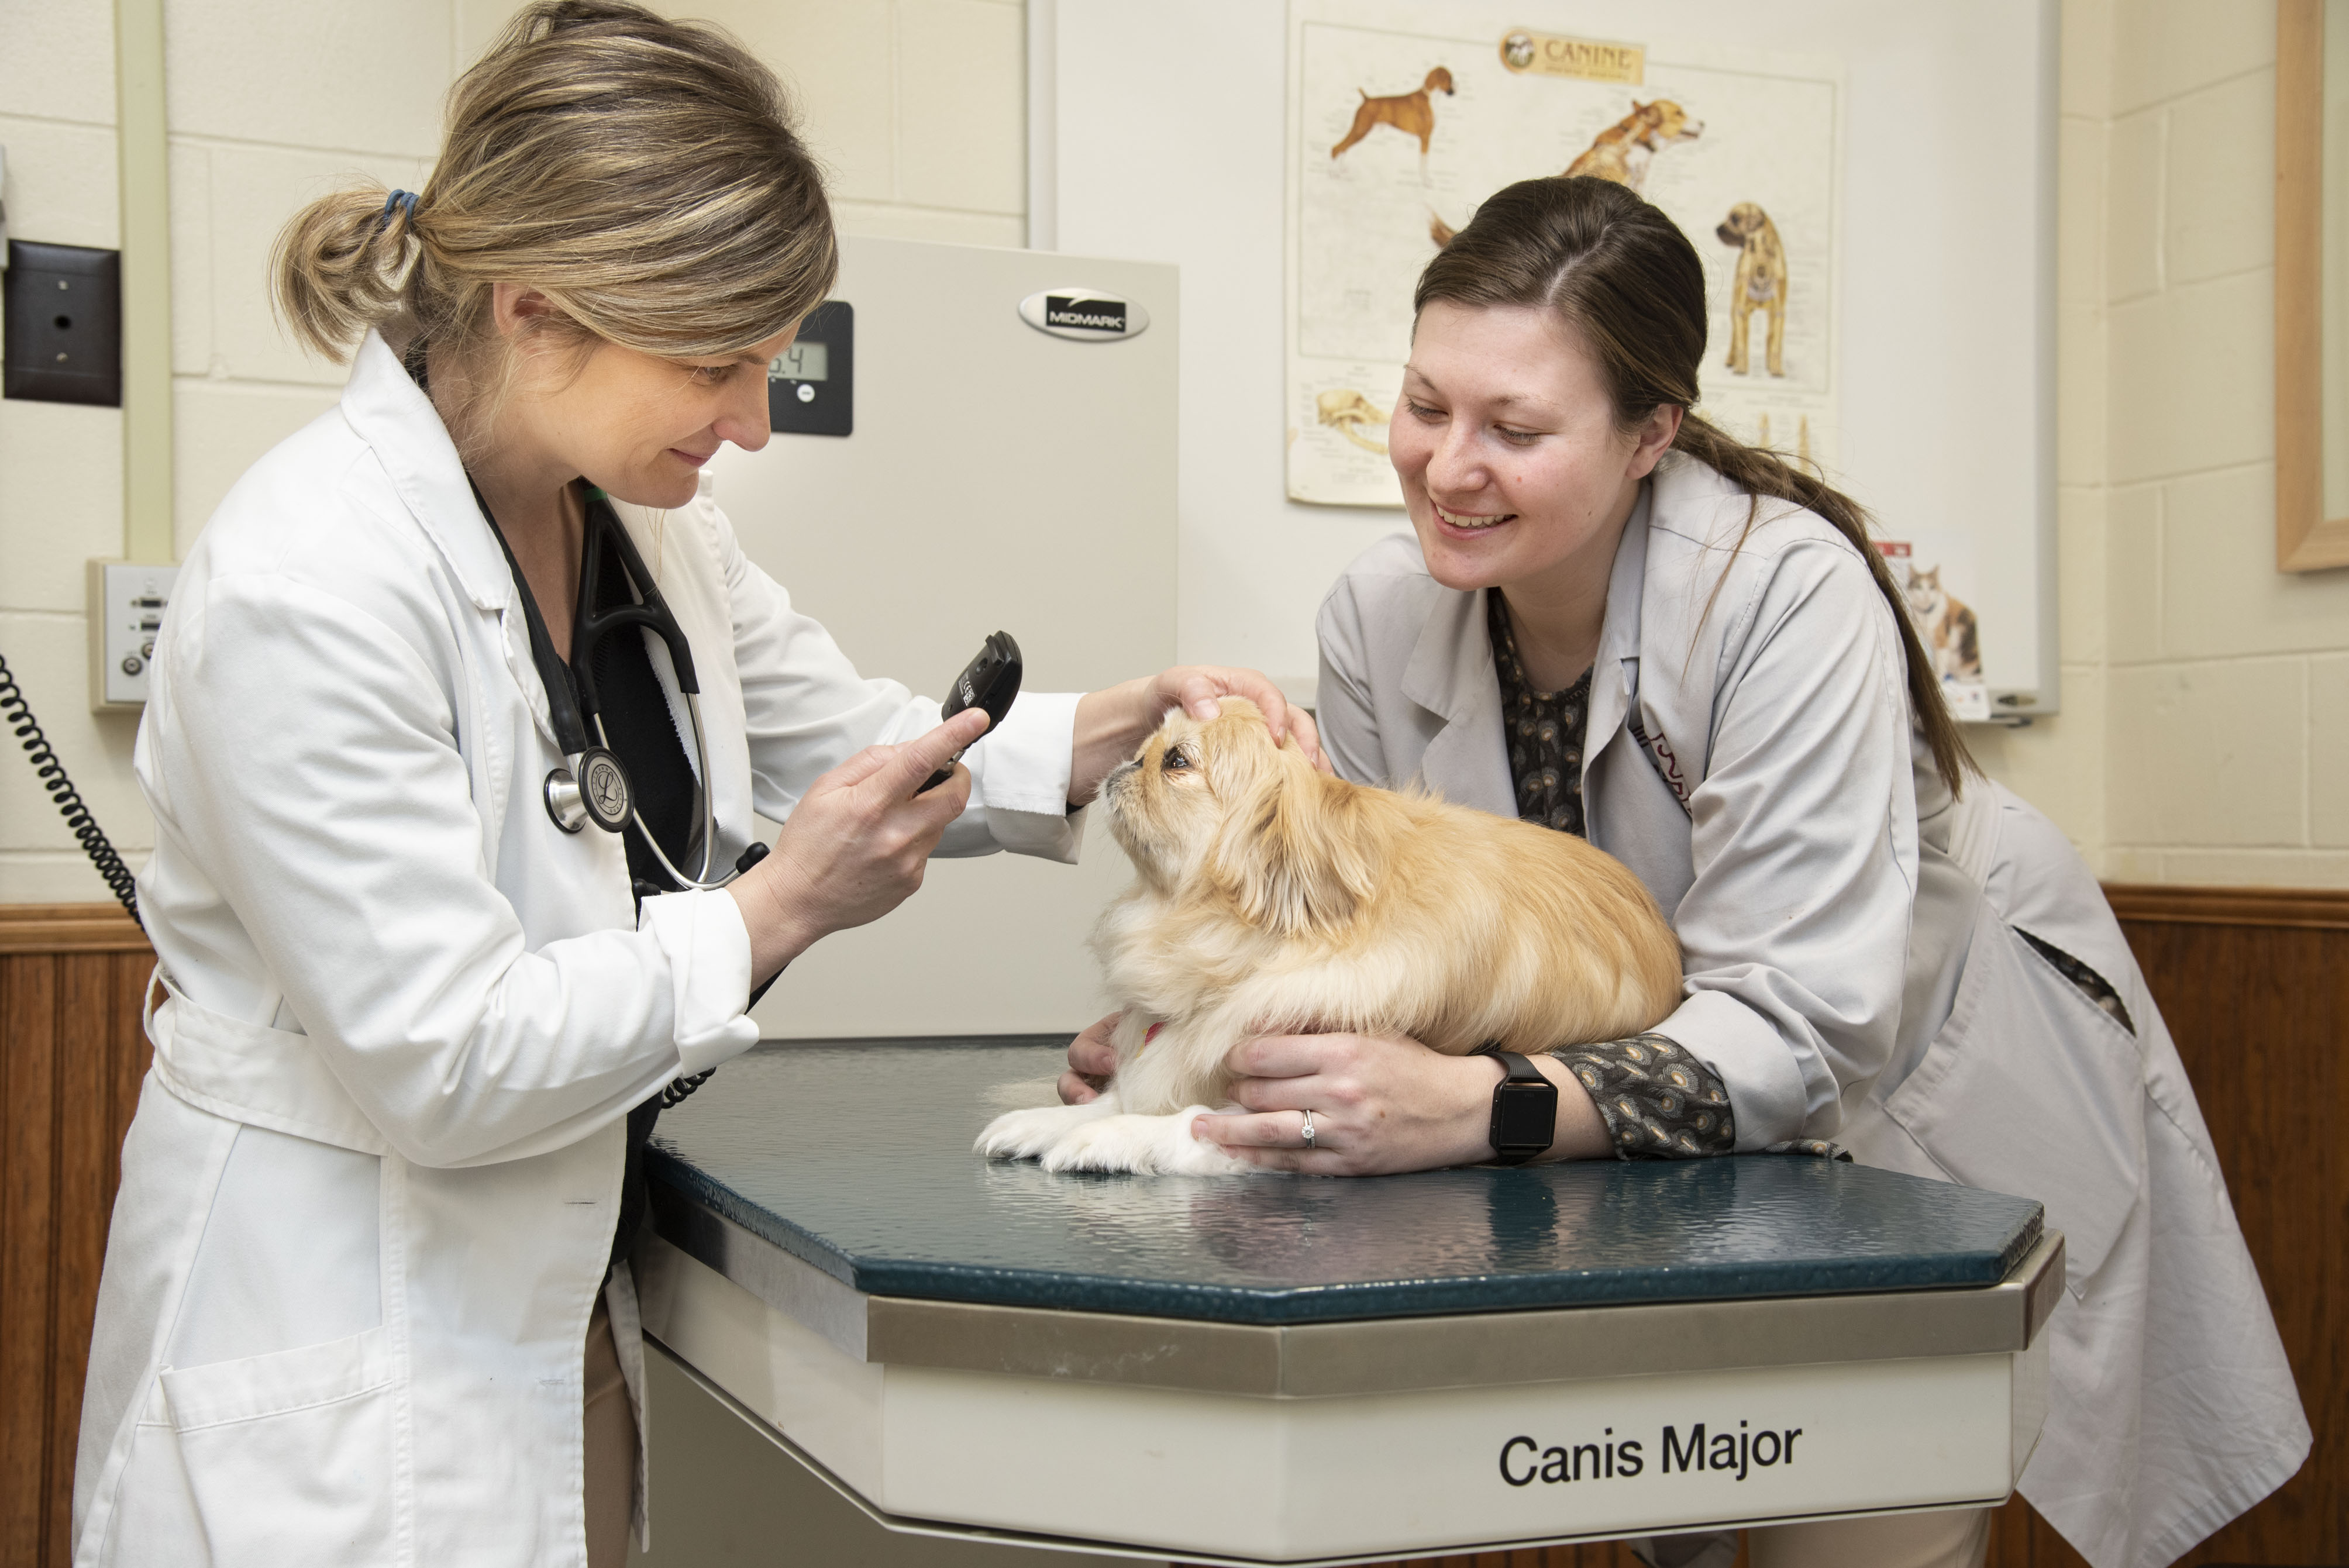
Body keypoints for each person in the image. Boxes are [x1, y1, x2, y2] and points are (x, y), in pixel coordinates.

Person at [69, 7, 1317, 1565]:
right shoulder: (305, 585)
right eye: (719, 365)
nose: (754, 421)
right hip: (350, 1335)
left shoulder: (649, 527)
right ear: (532, 312)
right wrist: (778, 911)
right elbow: (445, 1062)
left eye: (772, 361)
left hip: (553, 1305)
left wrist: (1120, 725)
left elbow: (854, 734)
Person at [1061, 177, 2306, 1568]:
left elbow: (1799, 1021)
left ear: (1652, 432)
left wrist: (1494, 1104)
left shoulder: (1784, 589)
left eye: (1515, 430)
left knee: (1862, 1515)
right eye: (1424, 406)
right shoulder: (1375, 613)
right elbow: (1359, 938)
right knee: (1674, 1501)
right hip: (1639, 1155)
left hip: (1907, 1111)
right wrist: (1197, 1044)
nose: (1446, 465)